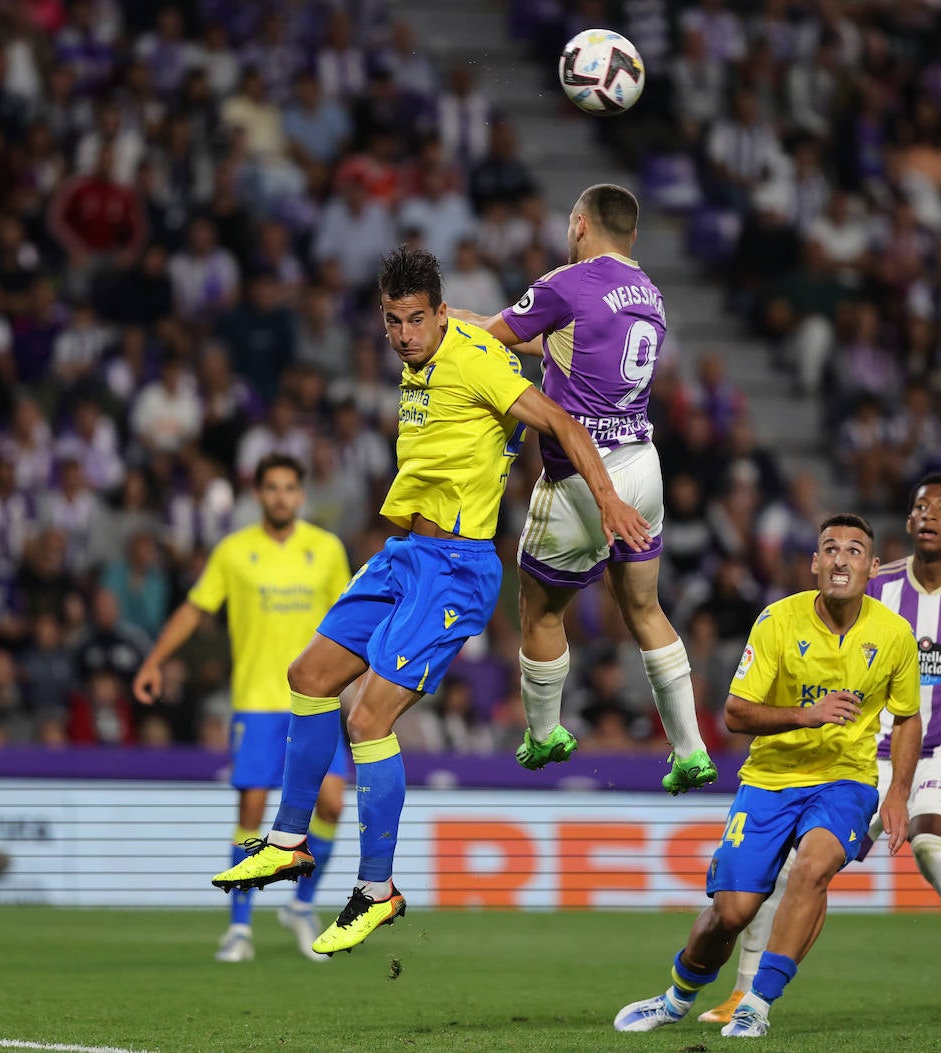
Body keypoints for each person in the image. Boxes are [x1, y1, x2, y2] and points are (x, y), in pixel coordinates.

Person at [211, 246, 650, 956]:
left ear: (441, 313)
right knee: (308, 676)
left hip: (457, 568)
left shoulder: (473, 359)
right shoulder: (417, 359)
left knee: (368, 716)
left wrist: (608, 503)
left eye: (418, 320)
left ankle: (377, 889)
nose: (407, 334)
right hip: (406, 557)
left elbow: (560, 422)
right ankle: (289, 841)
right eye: (394, 321)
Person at [699, 473, 941, 1028]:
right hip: (860, 758)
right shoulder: (871, 583)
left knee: (931, 844)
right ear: (907, 523)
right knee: (792, 870)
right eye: (919, 507)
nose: (929, 515)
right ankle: (743, 993)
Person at [449, 182, 716, 794]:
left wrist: (462, 325)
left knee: (539, 610)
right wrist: (476, 321)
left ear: (578, 225)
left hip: (581, 471)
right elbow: (568, 346)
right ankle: (691, 749)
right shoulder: (651, 295)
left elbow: (494, 339)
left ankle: (544, 734)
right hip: (644, 467)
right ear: (634, 236)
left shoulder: (564, 284)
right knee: (645, 609)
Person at [613, 514, 923, 1039]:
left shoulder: (894, 635)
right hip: (770, 779)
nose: (840, 559)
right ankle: (676, 997)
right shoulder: (777, 621)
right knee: (731, 914)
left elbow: (909, 716)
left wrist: (897, 792)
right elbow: (735, 712)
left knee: (813, 869)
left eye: (853, 551)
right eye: (830, 549)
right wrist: (807, 714)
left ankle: (756, 1001)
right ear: (814, 563)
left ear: (872, 567)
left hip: (844, 779)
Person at [132, 453, 353, 963]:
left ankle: (300, 905)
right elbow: (195, 608)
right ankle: (239, 927)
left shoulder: (325, 550)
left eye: (290, 487)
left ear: (302, 495)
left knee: (334, 806)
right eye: (272, 487)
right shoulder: (234, 552)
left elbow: (349, 616)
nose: (281, 496)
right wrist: (155, 660)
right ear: (259, 494)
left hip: (315, 703)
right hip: (256, 703)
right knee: (252, 815)